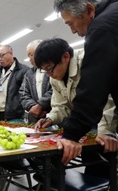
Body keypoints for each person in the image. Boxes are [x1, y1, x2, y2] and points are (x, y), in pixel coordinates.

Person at [34, 38, 117, 179]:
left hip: (105, 119)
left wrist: (107, 131)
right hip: (85, 122)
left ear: (66, 57)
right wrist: (50, 118)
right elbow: (61, 106)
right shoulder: (55, 77)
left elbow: (108, 98)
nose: (49, 74)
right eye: (45, 71)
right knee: (81, 158)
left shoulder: (89, 61)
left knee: (101, 157)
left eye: (50, 69)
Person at [53, 0, 118, 165]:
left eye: (71, 24)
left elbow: (95, 86)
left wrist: (71, 134)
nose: (73, 30)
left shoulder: (102, 28)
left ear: (89, 10)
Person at [0, 45, 29, 122]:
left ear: (11, 53)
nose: (0, 59)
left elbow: (26, 93)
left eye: (2, 55)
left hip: (15, 116)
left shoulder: (23, 70)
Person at [19, 39, 52, 124]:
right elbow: (23, 93)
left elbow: (56, 90)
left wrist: (41, 105)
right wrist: (32, 107)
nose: (30, 58)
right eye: (28, 55)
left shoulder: (53, 69)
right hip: (34, 118)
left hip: (53, 116)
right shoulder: (28, 74)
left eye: (32, 55)